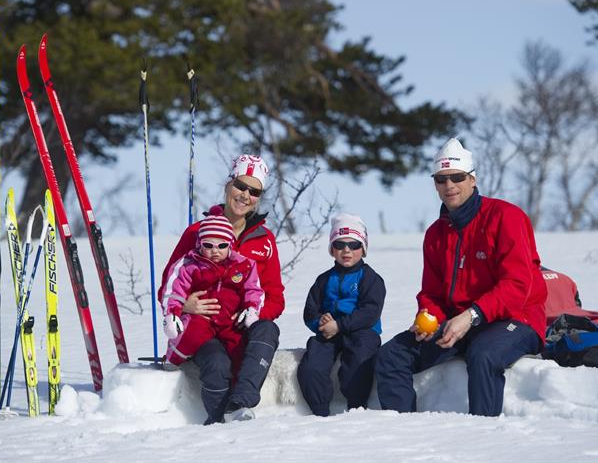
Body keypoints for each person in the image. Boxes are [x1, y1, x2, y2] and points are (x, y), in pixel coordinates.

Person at [375, 137, 547, 417]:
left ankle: (483, 435)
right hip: (458, 323)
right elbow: (431, 292)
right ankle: (404, 434)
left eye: (457, 177)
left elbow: (517, 286)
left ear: (472, 179)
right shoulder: (435, 234)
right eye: (441, 179)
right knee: (392, 356)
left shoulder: (506, 217)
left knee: (483, 354)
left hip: (516, 319)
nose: (449, 185)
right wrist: (427, 318)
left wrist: (472, 315)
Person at [159, 153, 284, 424]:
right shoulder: (197, 232)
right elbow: (168, 285)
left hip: (243, 326)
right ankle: (216, 422)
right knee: (217, 363)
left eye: (254, 191)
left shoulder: (265, 240)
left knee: (268, 330)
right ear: (228, 185)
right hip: (204, 326)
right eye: (240, 185)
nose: (245, 195)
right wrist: (185, 305)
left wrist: (252, 313)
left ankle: (241, 404)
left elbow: (276, 297)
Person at [297, 214, 385, 416]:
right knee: (311, 368)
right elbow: (310, 310)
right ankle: (320, 412)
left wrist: (340, 325)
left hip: (362, 332)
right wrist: (321, 322)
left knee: (359, 361)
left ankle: (356, 408)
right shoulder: (323, 279)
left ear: (363, 249)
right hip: (328, 332)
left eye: (354, 245)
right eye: (340, 244)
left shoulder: (371, 279)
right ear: (332, 250)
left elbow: (370, 312)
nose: (347, 250)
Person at [161, 214, 264, 369]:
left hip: (230, 321)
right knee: (191, 333)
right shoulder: (189, 265)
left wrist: (251, 308)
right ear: (199, 244)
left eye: (221, 246)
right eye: (208, 245)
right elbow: (173, 290)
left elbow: (254, 289)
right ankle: (173, 358)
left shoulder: (243, 265)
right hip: (202, 318)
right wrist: (173, 313)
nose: (215, 251)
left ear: (229, 245)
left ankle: (237, 385)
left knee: (240, 348)